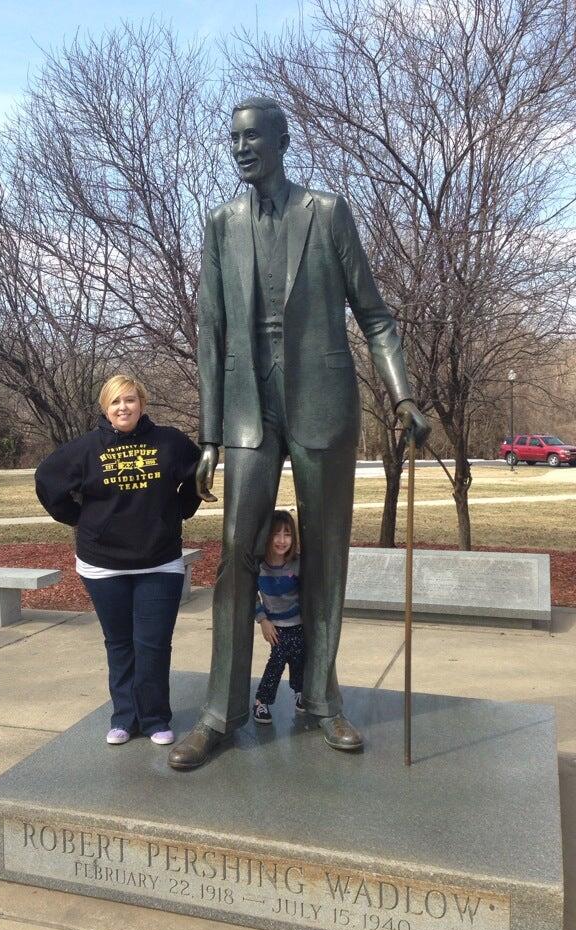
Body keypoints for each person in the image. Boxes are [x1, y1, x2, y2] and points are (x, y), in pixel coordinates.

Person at [168, 96, 430, 771]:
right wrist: (210, 435)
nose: (241, 147)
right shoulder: (221, 224)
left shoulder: (327, 212)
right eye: (234, 138)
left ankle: (321, 700)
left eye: (254, 136)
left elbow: (375, 315)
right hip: (250, 409)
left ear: (284, 141)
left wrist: (402, 396)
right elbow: (210, 332)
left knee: (326, 555)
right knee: (234, 551)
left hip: (322, 403)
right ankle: (221, 714)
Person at [35, 374, 201, 747]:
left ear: (142, 403)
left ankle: (156, 717)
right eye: (115, 402)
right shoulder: (86, 449)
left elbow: (198, 473)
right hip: (103, 565)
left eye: (129, 400)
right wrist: (79, 519)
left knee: (154, 643)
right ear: (104, 409)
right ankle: (124, 717)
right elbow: (47, 480)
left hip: (159, 563)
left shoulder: (169, 441)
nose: (123, 407)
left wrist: (180, 510)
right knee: (120, 643)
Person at [252, 510, 306, 725]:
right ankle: (261, 701)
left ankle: (300, 692)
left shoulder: (297, 564)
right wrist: (263, 620)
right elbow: (251, 596)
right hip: (276, 626)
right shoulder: (259, 567)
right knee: (277, 661)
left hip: (299, 623)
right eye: (276, 534)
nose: (282, 540)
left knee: (300, 659)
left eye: (287, 534)